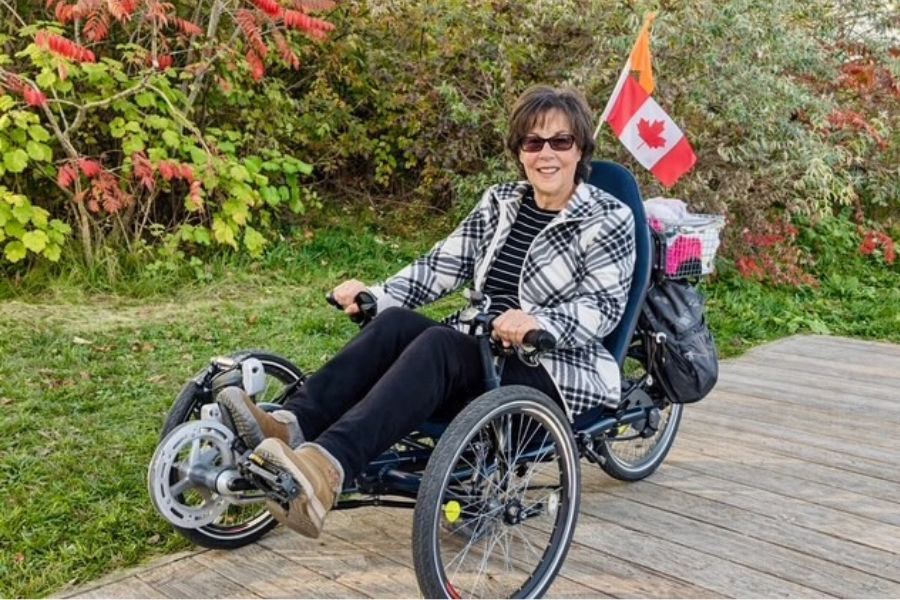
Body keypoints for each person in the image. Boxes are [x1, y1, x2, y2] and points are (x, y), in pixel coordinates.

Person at [216, 84, 636, 539]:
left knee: (439, 344)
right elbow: (441, 264)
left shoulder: (607, 217)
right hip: (484, 352)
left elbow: (603, 306)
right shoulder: (501, 203)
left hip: (553, 369)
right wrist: (376, 295)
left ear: (580, 150)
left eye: (561, 141)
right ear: (519, 152)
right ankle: (289, 428)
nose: (546, 154)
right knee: (395, 323)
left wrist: (540, 322)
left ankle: (325, 471)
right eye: (534, 142)